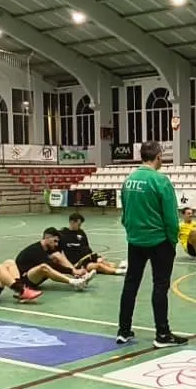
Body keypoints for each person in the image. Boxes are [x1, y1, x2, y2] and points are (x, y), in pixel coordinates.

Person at [116, 141, 188, 347]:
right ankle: (162, 334)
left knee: (131, 285)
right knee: (160, 286)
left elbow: (124, 211)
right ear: (158, 157)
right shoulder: (160, 181)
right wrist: (172, 240)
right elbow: (171, 217)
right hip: (158, 242)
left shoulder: (128, 180)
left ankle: (123, 330)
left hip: (135, 241)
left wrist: (131, 231)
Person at [12, 227, 91, 300]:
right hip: (24, 281)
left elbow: (58, 260)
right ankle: (74, 282)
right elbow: (52, 266)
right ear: (47, 237)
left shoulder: (47, 248)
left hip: (33, 276)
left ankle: (78, 276)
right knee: (44, 267)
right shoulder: (35, 250)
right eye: (55, 241)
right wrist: (70, 271)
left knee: (56, 255)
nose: (56, 244)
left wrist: (73, 271)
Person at [58, 213, 124, 276]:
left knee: (106, 263)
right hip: (77, 263)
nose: (80, 226)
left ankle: (122, 267)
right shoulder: (62, 234)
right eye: (79, 224)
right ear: (72, 222)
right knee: (98, 266)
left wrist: (96, 257)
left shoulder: (81, 233)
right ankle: (119, 271)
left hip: (86, 258)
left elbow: (87, 248)